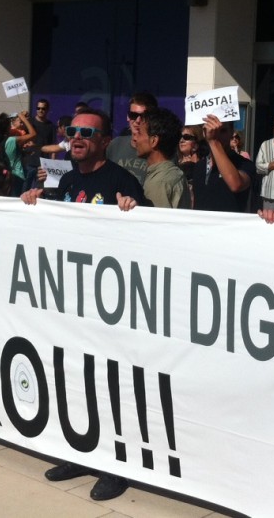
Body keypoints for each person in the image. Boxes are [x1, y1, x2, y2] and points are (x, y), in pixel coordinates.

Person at [21, 107, 144, 501]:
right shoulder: (68, 178)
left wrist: (135, 214)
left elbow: (154, 236)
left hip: (109, 305)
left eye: (87, 134)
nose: (76, 137)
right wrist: (34, 201)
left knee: (109, 384)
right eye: (72, 131)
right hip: (71, 300)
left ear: (106, 141)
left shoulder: (123, 181)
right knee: (74, 376)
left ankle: (115, 465)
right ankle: (81, 451)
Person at [191, 115, 255, 213]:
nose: (217, 135)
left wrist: (213, 142)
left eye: (223, 131)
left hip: (230, 227)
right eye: (212, 131)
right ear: (205, 133)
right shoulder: (199, 166)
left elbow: (236, 185)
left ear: (231, 132)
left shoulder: (245, 164)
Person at [135, 107, 187, 208]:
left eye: (140, 133)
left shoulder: (159, 182)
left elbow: (155, 221)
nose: (135, 138)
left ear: (154, 141)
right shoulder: (173, 174)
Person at [106, 92, 157, 186]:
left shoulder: (159, 149)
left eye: (144, 116)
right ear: (128, 117)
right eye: (133, 115)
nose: (138, 121)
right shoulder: (115, 144)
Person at [23, 98, 56, 190]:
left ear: (47, 110)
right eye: (38, 108)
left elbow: (53, 146)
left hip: (43, 164)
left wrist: (52, 163)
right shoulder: (30, 123)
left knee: (39, 191)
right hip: (29, 162)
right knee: (25, 188)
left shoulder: (51, 126)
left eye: (43, 108)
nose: (40, 110)